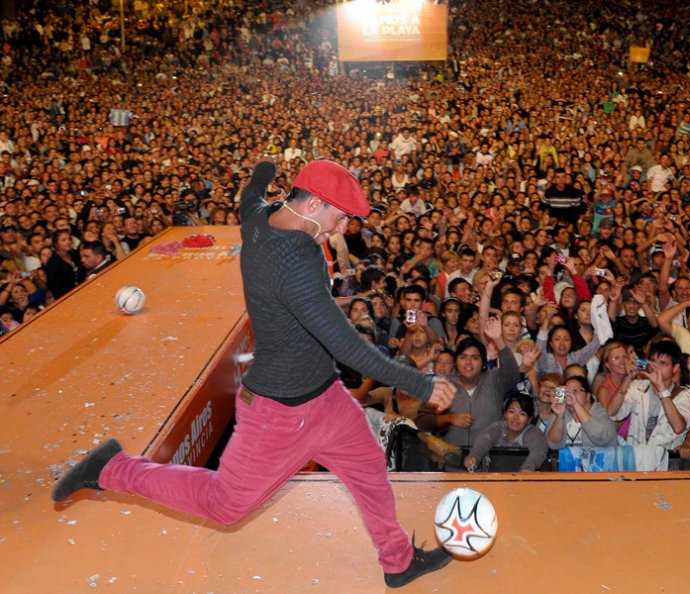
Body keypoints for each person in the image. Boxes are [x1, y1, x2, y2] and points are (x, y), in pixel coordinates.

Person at [52, 160, 458, 589]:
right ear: (313, 205)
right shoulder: (296, 259)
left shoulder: (259, 218)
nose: (342, 228)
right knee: (224, 505)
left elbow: (250, 195)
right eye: (340, 217)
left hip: (326, 398)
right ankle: (112, 468)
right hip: (278, 413)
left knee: (368, 464)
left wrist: (263, 171)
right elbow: (345, 344)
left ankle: (397, 561)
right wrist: (420, 383)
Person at [463, 393, 549, 472]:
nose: (515, 417)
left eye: (522, 414)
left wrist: (528, 469)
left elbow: (539, 451)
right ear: (505, 414)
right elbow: (483, 441)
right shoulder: (497, 428)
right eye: (512, 412)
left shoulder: (534, 433)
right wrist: (474, 456)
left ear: (529, 420)